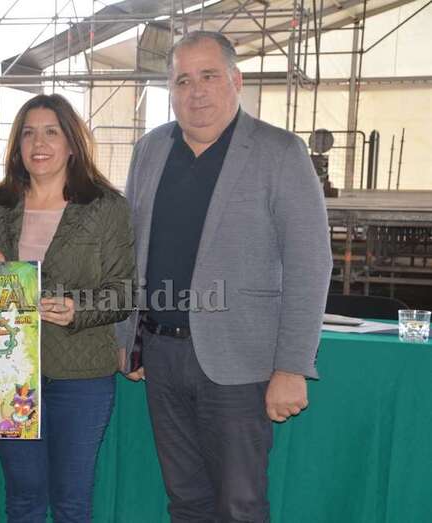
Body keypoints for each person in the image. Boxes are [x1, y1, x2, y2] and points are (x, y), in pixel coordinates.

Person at [115, 31, 332, 522]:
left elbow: (310, 263)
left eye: (209, 76)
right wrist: (127, 337)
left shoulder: (280, 152)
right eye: (182, 80)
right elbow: (131, 250)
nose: (196, 92)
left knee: (240, 505)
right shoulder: (149, 150)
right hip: (161, 356)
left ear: (236, 80)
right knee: (185, 501)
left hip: (240, 365)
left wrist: (292, 366)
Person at [0, 93, 136, 523]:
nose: (38, 143)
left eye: (51, 132)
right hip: (8, 373)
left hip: (81, 376)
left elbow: (123, 292)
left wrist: (77, 309)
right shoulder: (0, 204)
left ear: (72, 143)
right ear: (17, 145)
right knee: (23, 499)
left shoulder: (106, 207)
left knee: (71, 502)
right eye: (28, 133)